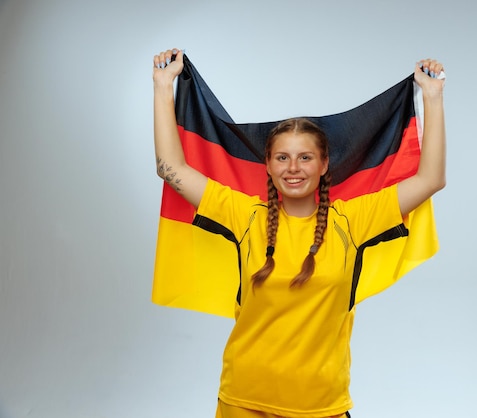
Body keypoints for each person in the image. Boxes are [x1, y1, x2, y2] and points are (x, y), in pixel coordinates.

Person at [153, 48, 446, 418]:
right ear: (268, 165)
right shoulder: (244, 216)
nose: (294, 168)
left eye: (305, 157)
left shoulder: (354, 221)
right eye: (282, 157)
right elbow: (170, 167)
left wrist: (432, 98)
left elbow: (431, 178)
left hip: (321, 406)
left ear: (324, 164)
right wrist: (164, 86)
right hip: (244, 400)